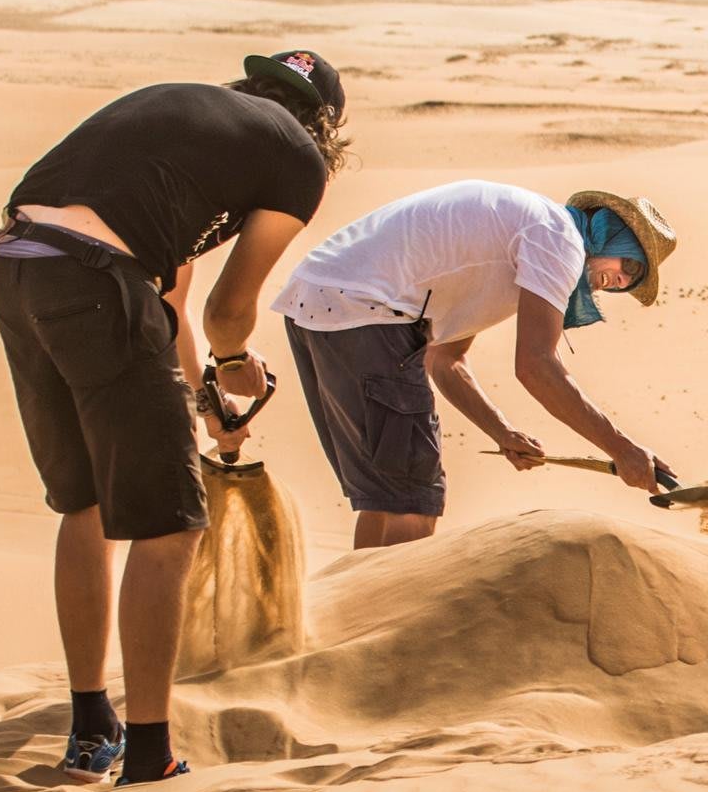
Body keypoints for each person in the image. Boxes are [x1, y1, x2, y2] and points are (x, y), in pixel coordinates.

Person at [0, 50, 348, 784]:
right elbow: (223, 311)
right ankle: (152, 757)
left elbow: (169, 305)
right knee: (169, 526)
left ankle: (93, 724)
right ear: (324, 128)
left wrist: (206, 395)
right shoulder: (298, 161)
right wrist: (237, 361)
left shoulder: (189, 124)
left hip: (19, 269)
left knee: (84, 502)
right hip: (95, 282)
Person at [273, 180, 677, 549]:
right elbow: (537, 365)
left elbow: (446, 359)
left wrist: (501, 431)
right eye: (631, 265)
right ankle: (387, 625)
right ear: (610, 234)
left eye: (633, 282)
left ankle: (350, 620)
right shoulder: (559, 239)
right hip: (365, 310)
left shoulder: (529, 233)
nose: (622, 282)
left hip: (320, 301)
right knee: (414, 504)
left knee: (388, 499)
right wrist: (621, 448)